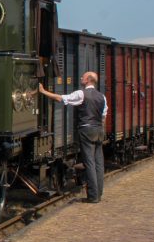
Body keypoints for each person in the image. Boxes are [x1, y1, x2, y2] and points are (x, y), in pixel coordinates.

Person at [39, 71, 107, 203]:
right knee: (99, 162)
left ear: (88, 80)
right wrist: (98, 127)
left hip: (86, 129)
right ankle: (99, 193)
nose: (81, 77)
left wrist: (43, 91)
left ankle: (93, 196)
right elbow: (104, 116)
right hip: (99, 130)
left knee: (90, 163)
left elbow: (61, 98)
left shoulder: (82, 94)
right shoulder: (102, 97)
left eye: (83, 76)